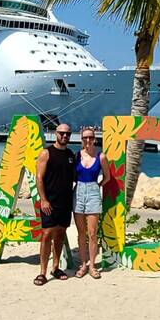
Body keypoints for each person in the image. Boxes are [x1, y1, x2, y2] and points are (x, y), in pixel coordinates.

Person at [33, 123, 76, 286]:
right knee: (46, 236)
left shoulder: (70, 154)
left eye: (68, 134)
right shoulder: (46, 153)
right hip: (49, 202)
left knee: (60, 234)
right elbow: (39, 178)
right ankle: (42, 273)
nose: (65, 136)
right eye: (62, 133)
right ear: (55, 133)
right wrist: (43, 199)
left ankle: (55, 267)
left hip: (65, 202)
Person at [71, 126, 106, 279]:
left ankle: (92, 265)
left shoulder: (101, 156)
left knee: (92, 233)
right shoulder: (77, 155)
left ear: (95, 139)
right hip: (78, 192)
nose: (88, 140)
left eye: (90, 137)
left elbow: (107, 176)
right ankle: (83, 264)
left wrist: (97, 186)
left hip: (93, 191)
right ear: (81, 139)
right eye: (85, 137)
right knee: (81, 233)